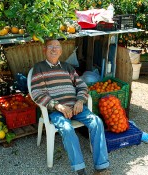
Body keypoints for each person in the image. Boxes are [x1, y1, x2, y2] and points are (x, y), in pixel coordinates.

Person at [30, 39, 110, 175]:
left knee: (97, 122)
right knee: (67, 129)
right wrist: (58, 106)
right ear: (44, 49)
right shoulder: (39, 68)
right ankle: (80, 169)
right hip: (57, 111)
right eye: (50, 46)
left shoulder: (67, 67)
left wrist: (80, 101)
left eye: (57, 47)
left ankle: (101, 167)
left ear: (61, 51)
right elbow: (37, 93)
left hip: (76, 107)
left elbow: (82, 86)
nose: (54, 49)